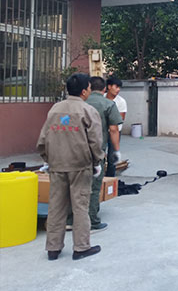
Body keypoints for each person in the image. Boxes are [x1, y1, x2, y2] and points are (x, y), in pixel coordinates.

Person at [36, 73, 105, 260]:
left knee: (56, 207)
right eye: (89, 87)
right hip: (80, 166)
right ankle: (81, 247)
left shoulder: (54, 109)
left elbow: (43, 139)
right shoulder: (88, 110)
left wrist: (47, 159)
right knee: (80, 206)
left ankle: (53, 248)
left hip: (57, 165)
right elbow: (95, 142)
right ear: (84, 91)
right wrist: (97, 162)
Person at [68, 76, 122, 232]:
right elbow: (113, 129)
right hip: (95, 152)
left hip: (73, 150)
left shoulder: (76, 104)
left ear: (89, 87)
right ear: (104, 88)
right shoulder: (108, 104)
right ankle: (92, 220)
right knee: (93, 186)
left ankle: (70, 219)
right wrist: (116, 150)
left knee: (73, 185)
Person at [104, 76, 127, 177]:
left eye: (119, 87)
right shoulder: (101, 98)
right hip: (102, 131)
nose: (118, 90)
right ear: (109, 86)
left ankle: (110, 178)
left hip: (115, 132)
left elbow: (121, 119)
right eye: (116, 87)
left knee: (112, 157)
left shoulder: (121, 102)